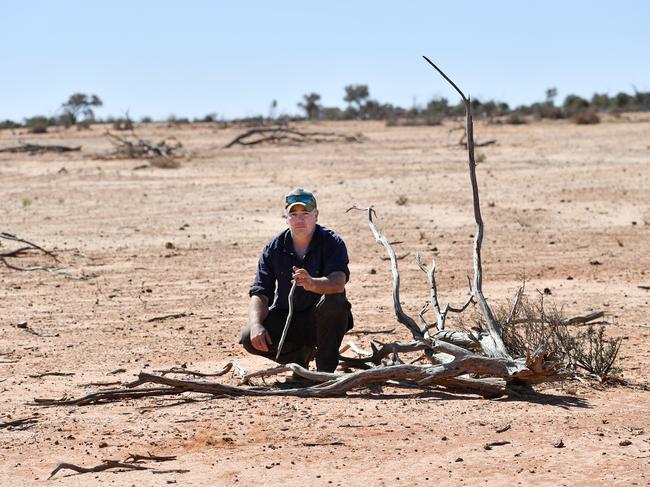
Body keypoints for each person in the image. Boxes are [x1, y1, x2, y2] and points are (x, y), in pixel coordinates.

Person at [240, 188, 352, 373]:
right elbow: (260, 292)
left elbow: (338, 282)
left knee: (336, 301)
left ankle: (325, 372)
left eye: (306, 213)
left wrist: (312, 283)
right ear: (286, 217)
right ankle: (300, 361)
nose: (299, 219)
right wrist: (256, 324)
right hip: (287, 319)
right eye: (294, 214)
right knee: (247, 337)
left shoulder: (332, 242)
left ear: (316, 215)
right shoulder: (273, 248)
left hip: (323, 321)